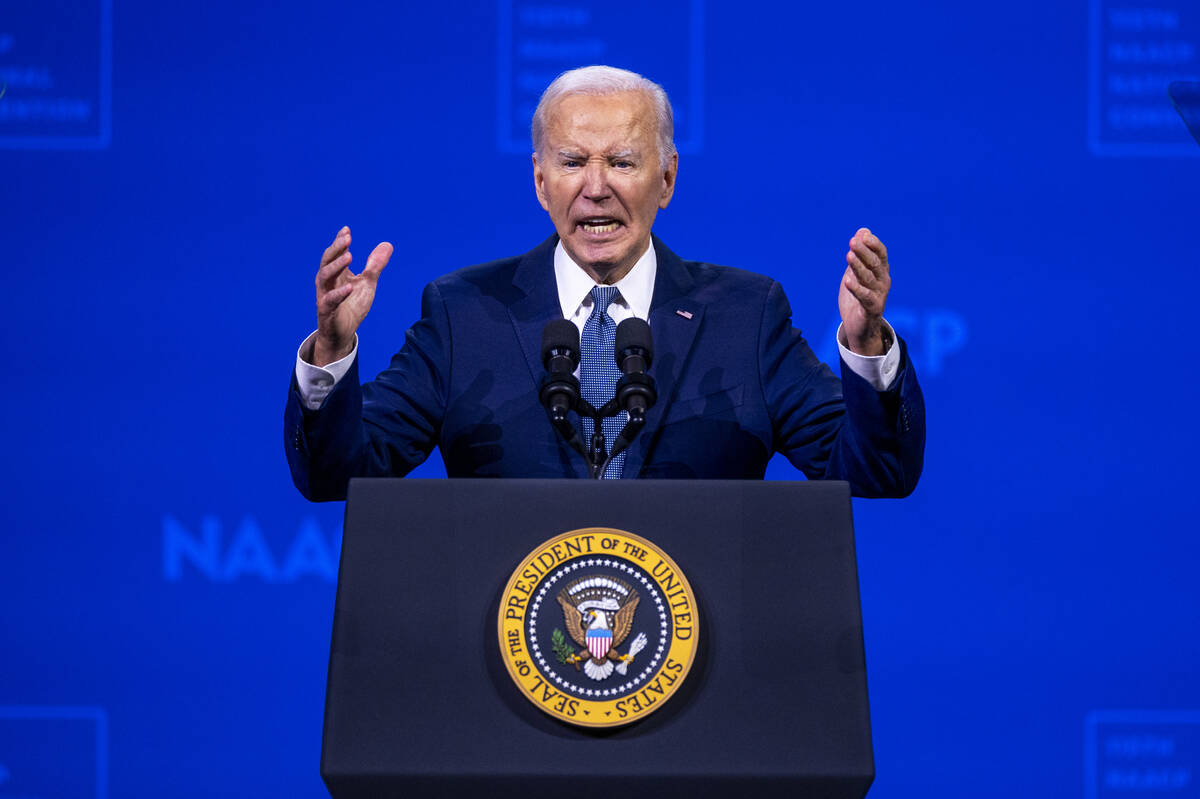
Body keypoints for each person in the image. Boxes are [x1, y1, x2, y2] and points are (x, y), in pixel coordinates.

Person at [285, 65, 924, 501]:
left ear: (667, 179)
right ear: (540, 182)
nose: (596, 187)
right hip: (507, 669)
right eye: (572, 163)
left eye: (621, 161)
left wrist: (867, 350)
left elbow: (874, 473)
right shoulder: (462, 312)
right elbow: (339, 478)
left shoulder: (745, 314)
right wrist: (333, 355)